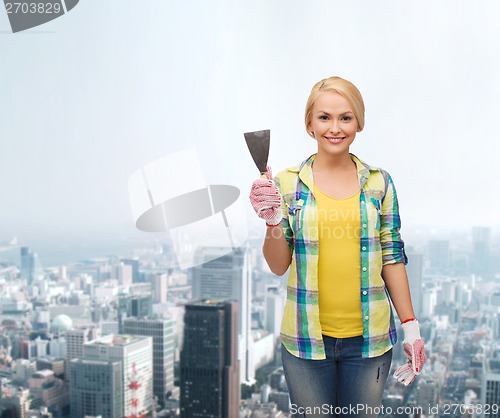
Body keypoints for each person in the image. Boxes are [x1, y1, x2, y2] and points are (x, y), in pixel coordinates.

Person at [249, 76, 426, 417]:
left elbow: (392, 256)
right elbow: (277, 265)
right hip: (304, 343)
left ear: (358, 122)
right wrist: (272, 222)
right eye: (324, 117)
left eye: (345, 117)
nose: (335, 128)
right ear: (309, 124)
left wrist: (412, 327)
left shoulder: (380, 183)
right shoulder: (286, 183)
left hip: (370, 344)